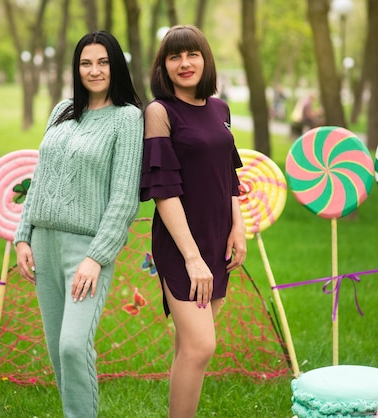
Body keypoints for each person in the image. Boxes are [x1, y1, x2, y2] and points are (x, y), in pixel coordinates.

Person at [14, 30, 143, 418]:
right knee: (58, 351)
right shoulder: (62, 111)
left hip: (85, 252)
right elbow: (41, 177)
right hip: (43, 245)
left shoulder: (128, 118)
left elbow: (124, 199)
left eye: (103, 62)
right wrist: (23, 237)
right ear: (77, 67)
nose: (94, 70)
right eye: (86, 62)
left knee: (74, 345)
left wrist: (96, 257)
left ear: (116, 65)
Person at [140, 25, 247, 418]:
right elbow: (163, 190)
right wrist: (192, 257)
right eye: (174, 56)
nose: (184, 63)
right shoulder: (159, 112)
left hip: (218, 236)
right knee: (201, 346)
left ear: (206, 59)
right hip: (182, 244)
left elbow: (229, 174)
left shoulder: (220, 109)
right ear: (164, 66)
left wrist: (239, 227)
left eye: (192, 54)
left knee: (189, 347)